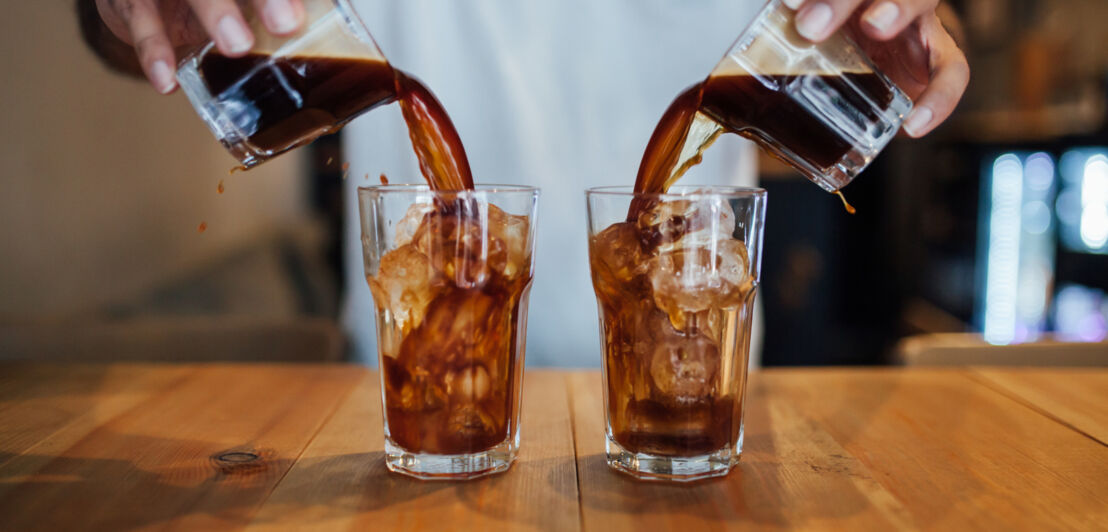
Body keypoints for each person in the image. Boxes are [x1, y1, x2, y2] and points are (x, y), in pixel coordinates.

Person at [80, 0, 969, 366]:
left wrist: (906, 30)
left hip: (698, 383)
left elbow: (903, 22)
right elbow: (122, 31)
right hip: (393, 396)